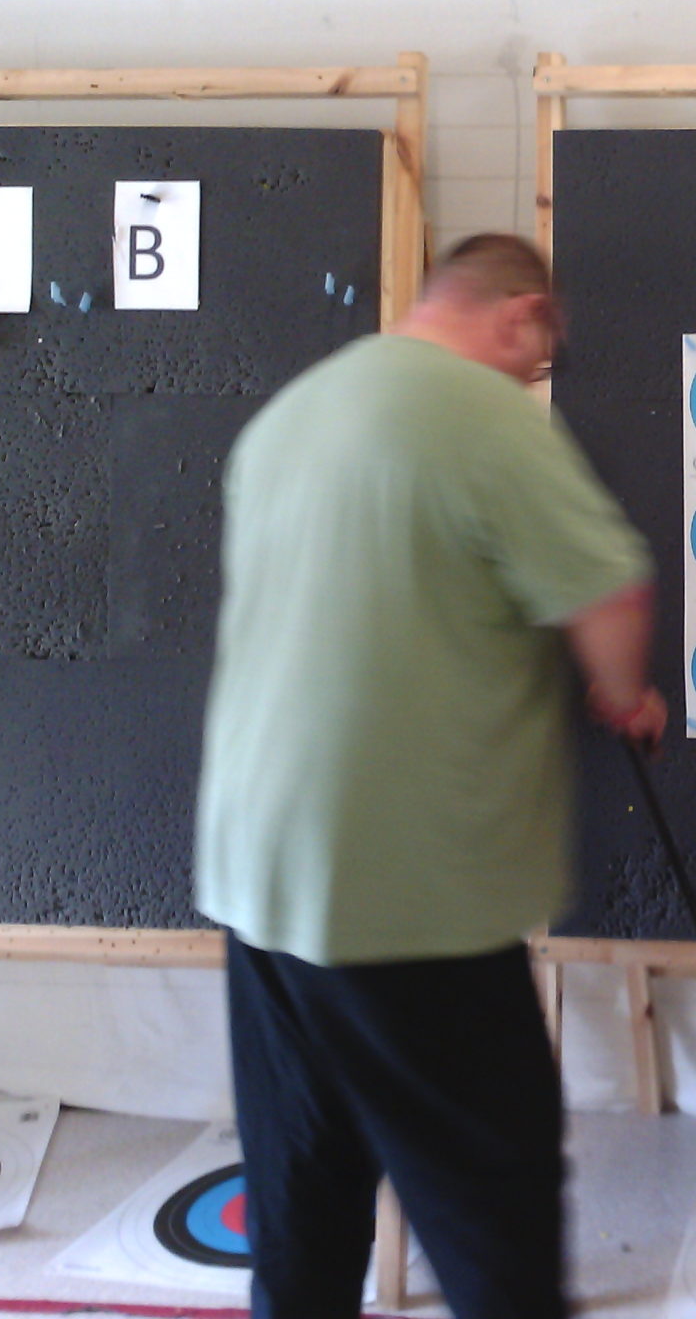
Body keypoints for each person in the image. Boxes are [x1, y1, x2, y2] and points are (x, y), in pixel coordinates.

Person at [194, 233, 664, 1319]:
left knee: (302, 1200)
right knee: (494, 1214)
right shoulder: (481, 414)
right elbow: (610, 592)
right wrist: (624, 693)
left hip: (260, 873)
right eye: (540, 353)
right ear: (519, 313)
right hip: (404, 886)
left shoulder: (292, 414)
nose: (534, 373)